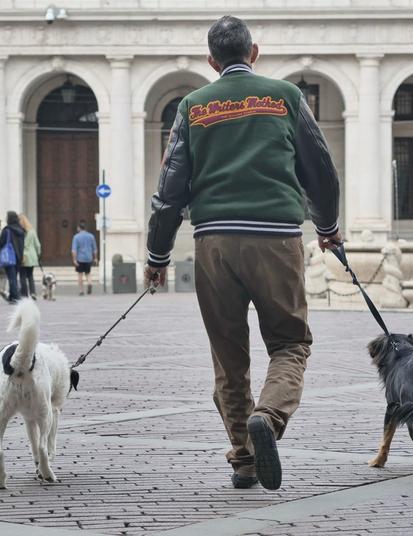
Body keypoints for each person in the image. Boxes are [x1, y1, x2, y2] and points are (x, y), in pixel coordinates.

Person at [144, 16, 341, 491]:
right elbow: (320, 170)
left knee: (229, 359)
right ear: (254, 51)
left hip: (213, 244)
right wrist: (328, 228)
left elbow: (170, 191)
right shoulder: (286, 97)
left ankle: (245, 459)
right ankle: (268, 419)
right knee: (290, 343)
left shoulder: (192, 106)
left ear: (212, 61)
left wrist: (157, 255)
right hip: (276, 239)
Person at [0, 210, 25, 303]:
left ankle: (16, 297)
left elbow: (2, 242)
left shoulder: (7, 230)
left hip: (9, 257)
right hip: (18, 256)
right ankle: (12, 296)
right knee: (14, 276)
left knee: (11, 278)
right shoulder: (21, 230)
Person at [19, 214, 42, 300]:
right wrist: (39, 254)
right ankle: (33, 293)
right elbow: (38, 245)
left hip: (23, 256)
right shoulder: (32, 231)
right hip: (32, 256)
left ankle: (24, 293)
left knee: (22, 276)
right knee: (30, 275)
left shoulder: (19, 231)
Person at [71, 221, 97, 295]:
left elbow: (74, 250)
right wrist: (95, 258)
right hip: (88, 258)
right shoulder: (91, 236)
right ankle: (89, 283)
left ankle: (81, 291)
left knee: (80, 274)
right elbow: (94, 249)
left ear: (79, 228)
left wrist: (74, 259)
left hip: (80, 258)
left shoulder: (76, 237)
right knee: (88, 273)